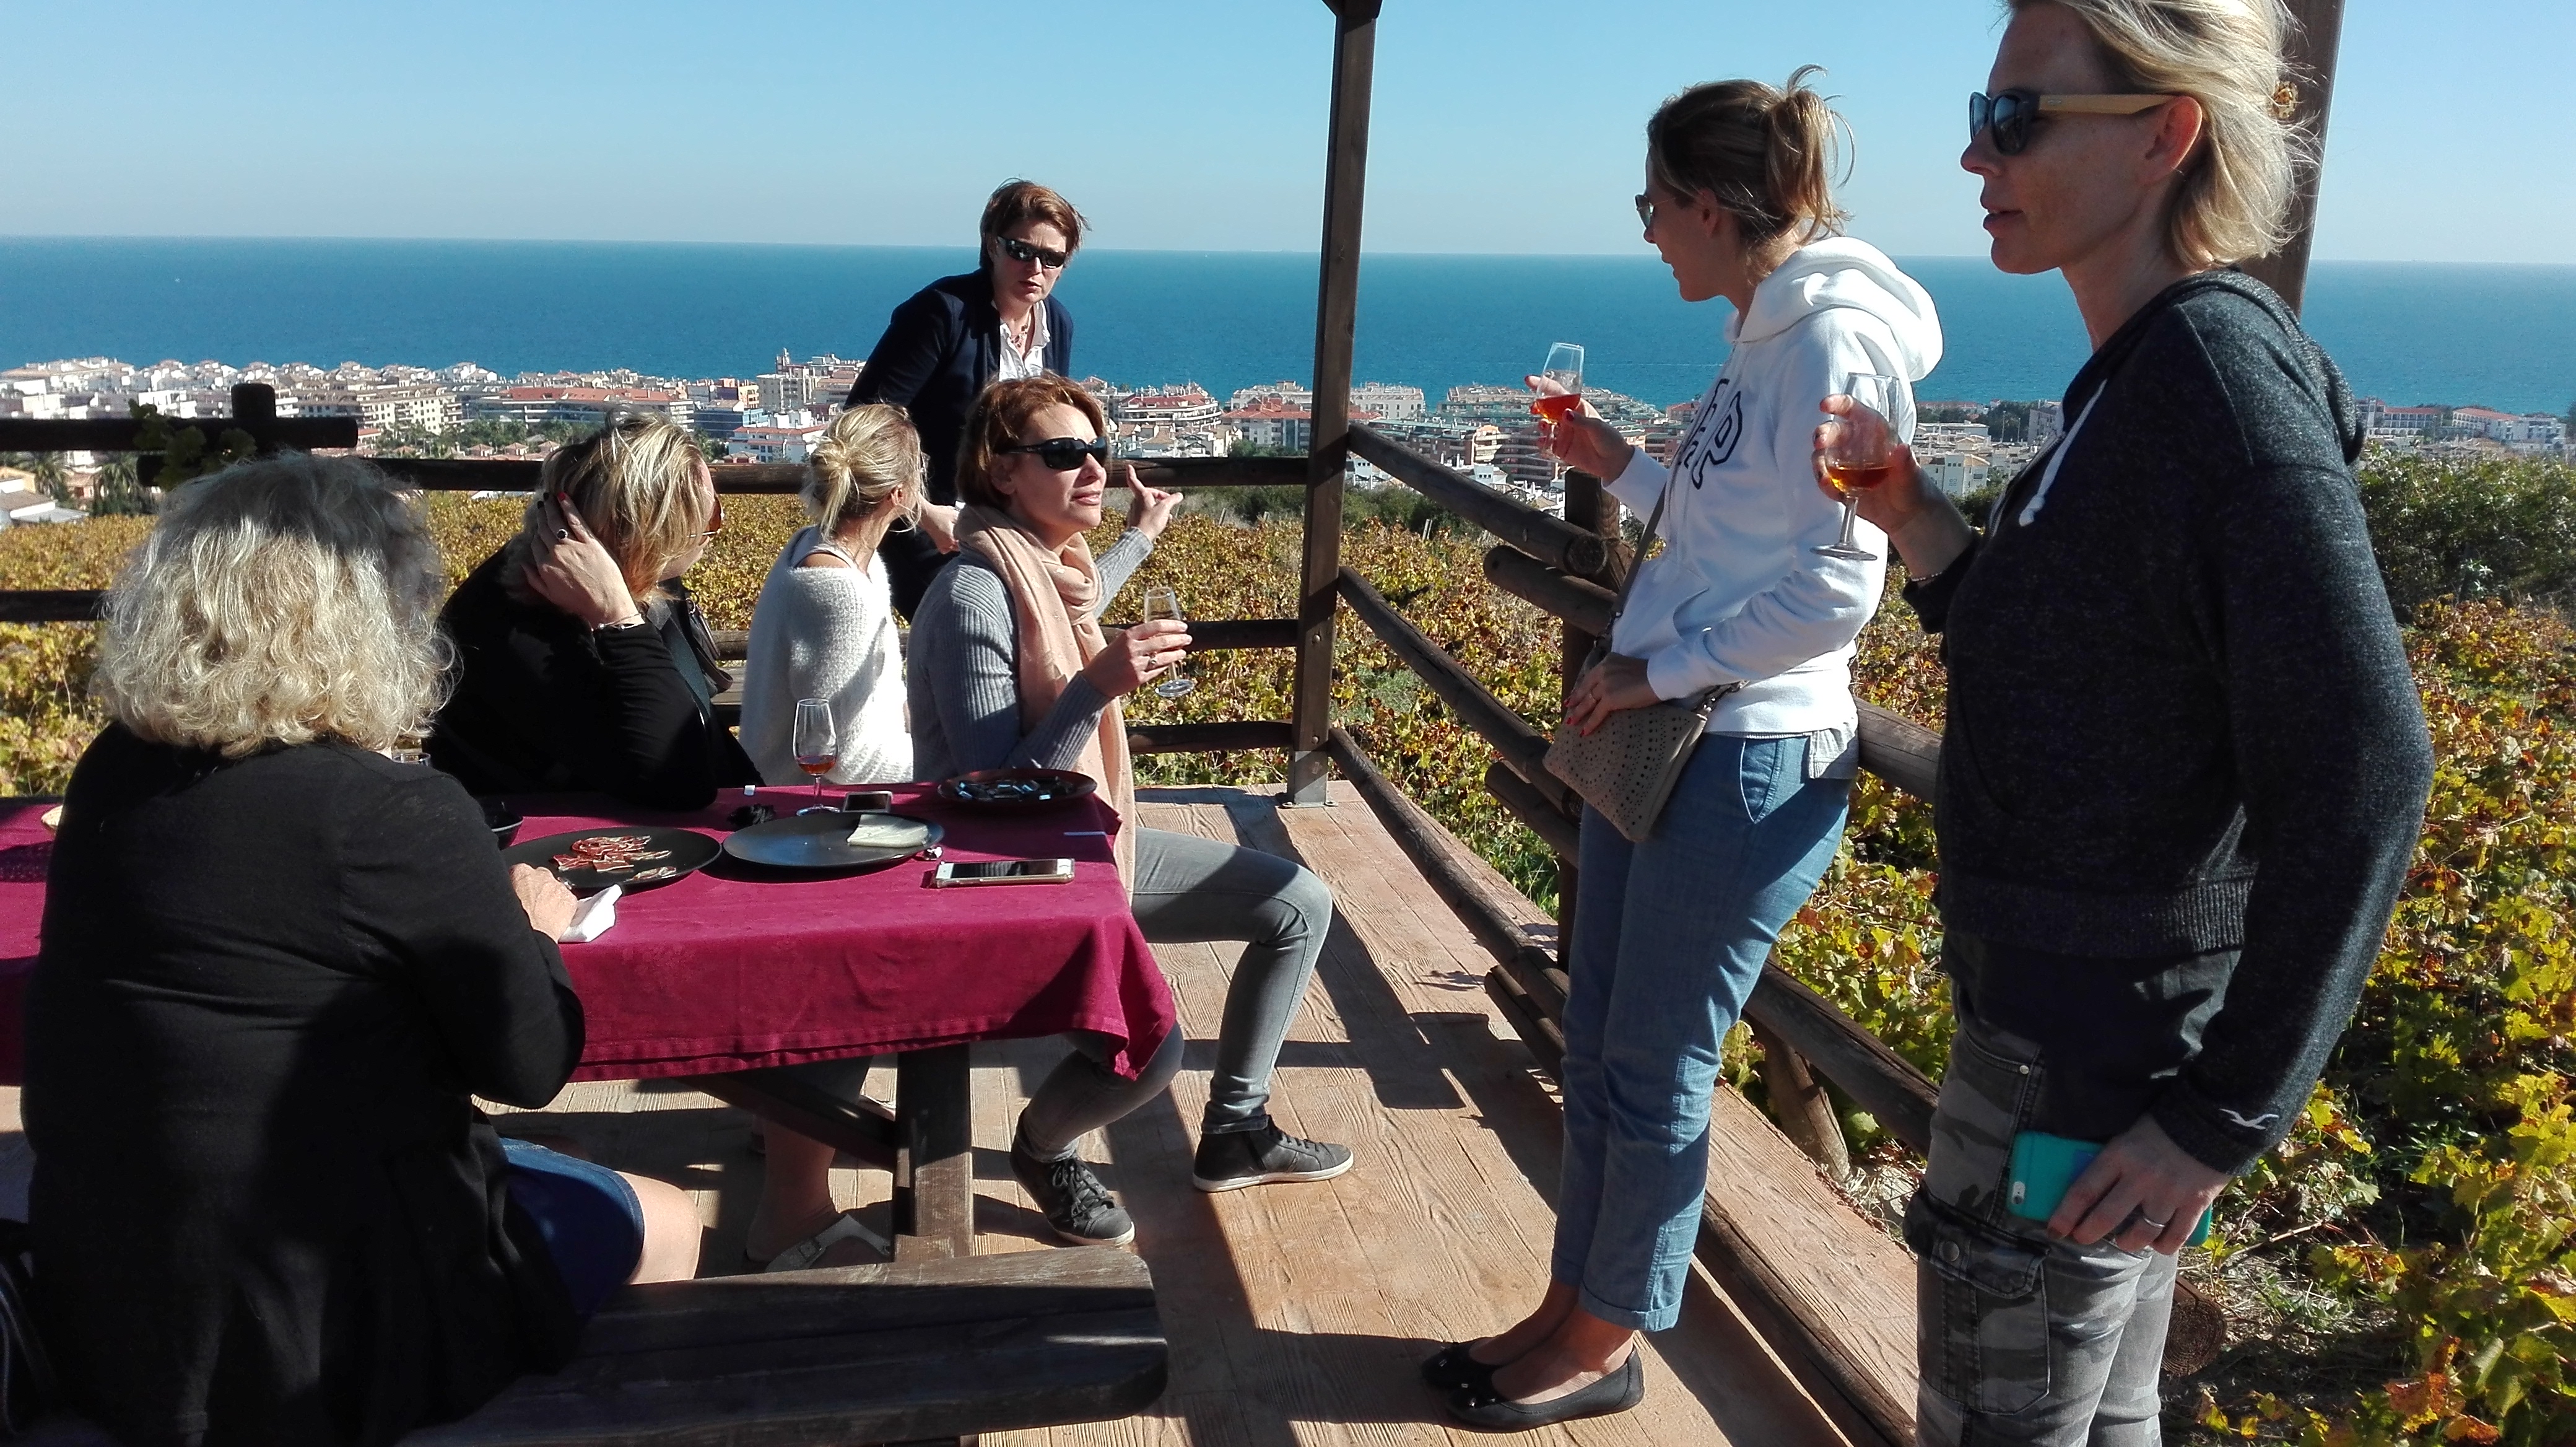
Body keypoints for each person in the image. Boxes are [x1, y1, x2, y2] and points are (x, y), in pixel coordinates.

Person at [1820, 3, 2434, 1440]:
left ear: (2165, 135)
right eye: (1982, 112)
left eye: (2019, 118)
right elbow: (2081, 674)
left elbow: (2367, 768)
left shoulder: (2212, 387)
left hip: (2086, 1085)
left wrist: (2225, 1115)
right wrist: (1919, 517)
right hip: (2087, 1075)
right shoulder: (2138, 384)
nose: (1977, 152)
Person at [1422, 72, 1943, 1430]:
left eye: (1653, 204)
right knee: (1600, 1040)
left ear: (1711, 208)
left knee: (1653, 1064)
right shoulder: (1761, 331)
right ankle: (1574, 1303)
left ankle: (1601, 1339)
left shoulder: (1830, 345)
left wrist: (1650, 663)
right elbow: (1729, 530)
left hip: (1745, 755)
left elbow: (1838, 590)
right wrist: (1617, 463)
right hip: (1687, 738)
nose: (1647, 229)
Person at [26, 455, 701, 1447]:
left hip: (113, 1306)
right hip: (332, 1333)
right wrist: (532, 929)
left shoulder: (116, 769)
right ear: (371, 617)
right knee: (669, 1214)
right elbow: (530, 1064)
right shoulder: (388, 813)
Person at [908, 374, 1352, 1248]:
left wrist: (1143, 537)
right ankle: (1043, 1147)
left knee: (1297, 903)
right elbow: (995, 793)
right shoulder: (974, 593)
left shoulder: (1046, 569)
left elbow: (1084, 602)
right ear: (1001, 473)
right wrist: (1094, 688)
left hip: (1085, 842)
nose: (1091, 471)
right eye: (1063, 454)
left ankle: (1235, 1131)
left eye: (1096, 452)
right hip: (1001, 870)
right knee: (1149, 1050)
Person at [428, 411, 758, 808]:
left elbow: (696, 719)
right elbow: (679, 781)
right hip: (552, 849)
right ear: (648, 535)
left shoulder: (644, 575)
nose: (712, 532)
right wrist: (618, 617)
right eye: (709, 518)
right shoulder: (512, 627)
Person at [848, 179, 1084, 618]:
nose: (1036, 268)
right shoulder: (941, 313)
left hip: (1012, 534)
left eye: (1052, 258)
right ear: (992, 246)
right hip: (925, 528)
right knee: (971, 633)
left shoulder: (1057, 325)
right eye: (1022, 250)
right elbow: (861, 425)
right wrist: (920, 512)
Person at [739, 402, 923, 787]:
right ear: (900, 494)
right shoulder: (839, 592)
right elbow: (847, 761)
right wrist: (950, 760)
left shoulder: (821, 549)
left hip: (798, 794)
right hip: (809, 810)